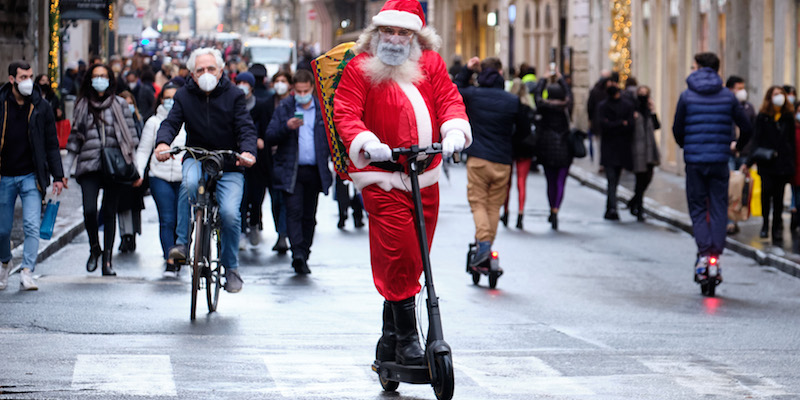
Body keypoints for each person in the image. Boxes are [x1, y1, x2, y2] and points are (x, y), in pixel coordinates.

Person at [333, 0, 470, 367]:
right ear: (376, 34)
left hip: (424, 175)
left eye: (403, 32)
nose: (395, 39)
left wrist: (454, 129)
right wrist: (365, 141)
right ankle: (408, 339)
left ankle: (389, 337)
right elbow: (345, 111)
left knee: (416, 257)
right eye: (388, 31)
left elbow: (448, 99)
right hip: (382, 177)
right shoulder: (360, 68)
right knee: (401, 251)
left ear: (415, 36)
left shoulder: (432, 65)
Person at [154, 48, 257, 293]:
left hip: (230, 163)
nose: (206, 73)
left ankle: (231, 268)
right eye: (200, 70)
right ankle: (181, 243)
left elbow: (245, 127)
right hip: (196, 157)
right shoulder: (183, 95)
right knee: (188, 184)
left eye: (211, 68)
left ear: (221, 71)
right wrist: (162, 143)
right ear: (192, 73)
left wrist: (248, 152)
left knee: (231, 214)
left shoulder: (234, 95)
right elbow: (171, 123)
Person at [672, 52, 752, 281]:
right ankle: (715, 255)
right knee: (718, 207)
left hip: (695, 161)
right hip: (719, 160)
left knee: (698, 208)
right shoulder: (728, 97)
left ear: (698, 68)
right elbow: (747, 127)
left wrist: (687, 146)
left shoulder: (687, 96)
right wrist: (736, 146)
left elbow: (677, 129)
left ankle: (705, 254)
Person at [63, 63, 139, 276]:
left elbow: (131, 137)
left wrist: (136, 168)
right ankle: (94, 248)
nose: (100, 80)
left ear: (110, 79)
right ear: (89, 79)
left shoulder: (120, 104)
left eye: (104, 76)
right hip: (89, 165)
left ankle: (107, 260)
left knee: (109, 212)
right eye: (96, 76)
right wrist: (65, 170)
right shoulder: (82, 105)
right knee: (89, 210)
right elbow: (74, 139)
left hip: (114, 164)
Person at [0, 61, 66, 291]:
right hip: (4, 176)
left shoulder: (41, 106)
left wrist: (58, 176)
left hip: (31, 176)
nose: (28, 81)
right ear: (12, 79)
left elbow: (51, 143)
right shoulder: (2, 103)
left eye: (30, 76)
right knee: (3, 229)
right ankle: (5, 262)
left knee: (31, 225)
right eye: (22, 77)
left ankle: (27, 270)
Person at [455, 55, 527, 262]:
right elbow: (522, 131)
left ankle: (484, 244)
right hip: (502, 159)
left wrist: (468, 70)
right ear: (501, 74)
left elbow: (454, 90)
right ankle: (486, 248)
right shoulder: (512, 100)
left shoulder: (473, 95)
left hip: (479, 158)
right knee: (494, 206)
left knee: (478, 203)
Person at [266, 69, 331, 274]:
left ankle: (305, 250)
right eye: (299, 90)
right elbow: (270, 135)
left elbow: (331, 139)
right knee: (293, 211)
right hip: (291, 169)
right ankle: (297, 254)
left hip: (314, 170)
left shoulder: (322, 109)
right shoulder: (285, 107)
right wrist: (287, 127)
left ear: (312, 88)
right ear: (293, 89)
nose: (302, 94)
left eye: (306, 90)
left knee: (309, 214)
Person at [134, 82, 186, 277]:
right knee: (167, 218)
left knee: (183, 218)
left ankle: (181, 249)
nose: (170, 102)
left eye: (175, 98)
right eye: (167, 98)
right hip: (160, 176)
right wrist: (139, 172)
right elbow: (143, 150)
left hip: (184, 177)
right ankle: (170, 259)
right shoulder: (153, 123)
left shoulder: (188, 120)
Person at [747, 86, 795, 246]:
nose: (779, 97)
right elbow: (756, 140)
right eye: (775, 94)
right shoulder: (763, 116)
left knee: (779, 197)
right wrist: (749, 161)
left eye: (781, 94)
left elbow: (792, 141)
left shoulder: (788, 117)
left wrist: (792, 162)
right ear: (770, 97)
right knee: (766, 193)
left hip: (782, 163)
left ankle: (777, 227)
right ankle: (765, 224)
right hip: (766, 162)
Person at [235, 71, 274, 247]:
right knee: (240, 196)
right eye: (239, 82)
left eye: (246, 82)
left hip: (257, 160)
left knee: (256, 195)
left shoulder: (261, 105)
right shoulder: (233, 105)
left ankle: (254, 223)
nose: (242, 85)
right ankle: (242, 230)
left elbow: (266, 129)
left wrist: (261, 141)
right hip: (237, 156)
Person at [533, 72, 573, 230]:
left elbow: (536, 96)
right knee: (560, 181)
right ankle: (556, 209)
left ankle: (551, 208)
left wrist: (543, 79)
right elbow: (570, 95)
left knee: (550, 181)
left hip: (547, 148)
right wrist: (561, 79)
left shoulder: (544, 107)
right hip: (564, 148)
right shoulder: (565, 107)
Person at [501, 73, 536, 229]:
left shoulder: (509, 107)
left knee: (507, 183)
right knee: (522, 182)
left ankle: (506, 212)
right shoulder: (528, 108)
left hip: (510, 147)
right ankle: (520, 214)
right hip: (525, 147)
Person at [596, 82, 635, 220]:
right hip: (616, 147)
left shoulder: (605, 106)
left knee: (612, 180)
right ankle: (612, 208)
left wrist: (613, 124)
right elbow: (604, 124)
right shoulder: (607, 106)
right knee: (613, 180)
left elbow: (628, 125)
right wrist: (621, 123)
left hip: (614, 147)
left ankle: (610, 208)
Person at [724, 76, 757, 234]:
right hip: (728, 152)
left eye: (743, 87)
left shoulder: (748, 108)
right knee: (729, 186)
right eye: (739, 88)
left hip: (743, 152)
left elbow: (751, 130)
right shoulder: (724, 105)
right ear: (730, 89)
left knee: (741, 188)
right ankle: (729, 220)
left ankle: (735, 218)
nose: (742, 91)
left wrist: (745, 148)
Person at [268, 70, 293, 254]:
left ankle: (283, 234)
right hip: (269, 158)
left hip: (288, 158)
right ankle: (280, 229)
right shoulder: (267, 104)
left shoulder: (295, 105)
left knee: (285, 199)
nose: (280, 84)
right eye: (277, 81)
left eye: (283, 81)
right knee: (275, 199)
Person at [629, 85, 661, 222]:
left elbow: (657, 126)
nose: (643, 96)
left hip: (650, 149)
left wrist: (653, 110)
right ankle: (639, 210)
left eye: (645, 93)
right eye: (641, 93)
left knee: (648, 177)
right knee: (639, 179)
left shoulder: (648, 111)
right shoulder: (633, 110)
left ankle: (633, 201)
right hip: (637, 149)